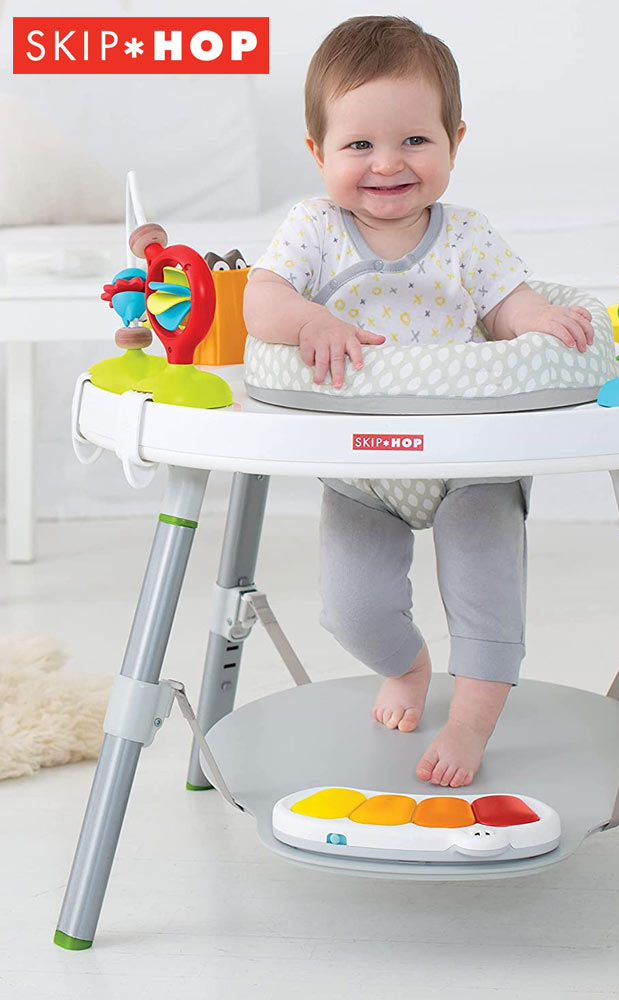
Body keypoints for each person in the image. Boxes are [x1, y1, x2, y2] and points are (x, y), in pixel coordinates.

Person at [244, 15, 594, 788]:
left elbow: (508, 306)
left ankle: (470, 721)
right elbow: (260, 304)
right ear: (318, 153)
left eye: (414, 141)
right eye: (360, 145)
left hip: (471, 458)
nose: (388, 164)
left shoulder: (468, 236)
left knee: (486, 590)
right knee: (352, 607)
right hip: (358, 466)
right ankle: (407, 666)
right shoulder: (313, 227)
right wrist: (313, 320)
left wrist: (538, 321)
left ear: (454, 142)